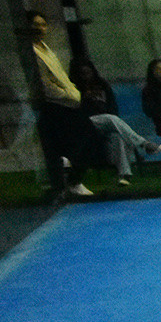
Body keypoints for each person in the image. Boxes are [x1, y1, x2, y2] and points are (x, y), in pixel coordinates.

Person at [26, 11, 97, 198]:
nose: (40, 28)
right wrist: (71, 96)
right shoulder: (31, 52)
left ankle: (72, 181)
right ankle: (64, 185)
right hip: (53, 105)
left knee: (88, 137)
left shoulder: (45, 48)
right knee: (57, 148)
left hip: (67, 103)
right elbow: (45, 85)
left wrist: (73, 93)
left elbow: (60, 77)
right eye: (35, 24)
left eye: (43, 24)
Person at [70, 57, 161, 187]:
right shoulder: (74, 89)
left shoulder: (102, 85)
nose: (86, 76)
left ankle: (125, 175)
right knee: (110, 118)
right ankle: (144, 144)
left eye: (88, 72)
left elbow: (113, 107)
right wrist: (85, 98)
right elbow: (76, 112)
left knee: (117, 136)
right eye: (83, 74)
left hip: (107, 122)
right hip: (88, 123)